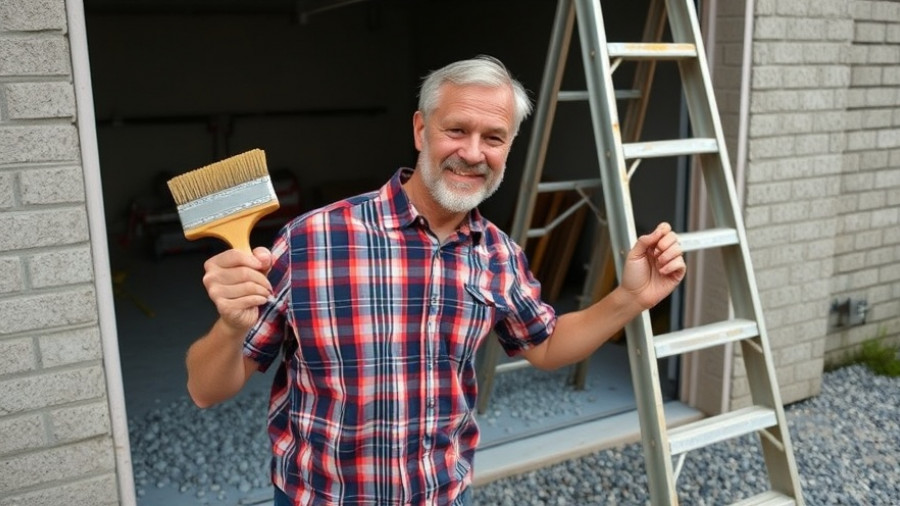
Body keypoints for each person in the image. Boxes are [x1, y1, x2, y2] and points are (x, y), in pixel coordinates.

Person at [185, 55, 686, 506]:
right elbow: (206, 390)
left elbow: (547, 344)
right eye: (456, 130)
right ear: (421, 129)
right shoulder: (311, 240)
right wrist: (230, 327)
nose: (472, 153)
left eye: (493, 138)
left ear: (509, 146)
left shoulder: (498, 255)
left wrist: (630, 297)